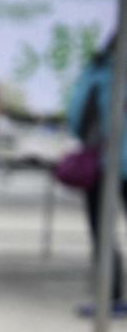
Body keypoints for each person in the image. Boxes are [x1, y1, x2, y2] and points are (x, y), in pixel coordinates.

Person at [68, 37, 127, 316]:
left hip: (108, 161)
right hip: (112, 160)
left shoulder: (102, 70)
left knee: (103, 231)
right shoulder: (103, 71)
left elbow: (79, 117)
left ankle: (110, 295)